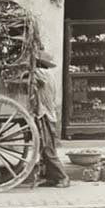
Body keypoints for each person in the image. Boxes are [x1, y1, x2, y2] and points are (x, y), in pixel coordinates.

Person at [34, 50, 70, 188]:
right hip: (47, 114)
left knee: (48, 149)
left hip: (46, 115)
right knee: (45, 149)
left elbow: (31, 72)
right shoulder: (49, 74)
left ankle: (63, 177)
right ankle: (51, 178)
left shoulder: (43, 74)